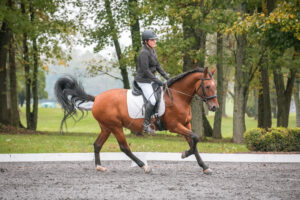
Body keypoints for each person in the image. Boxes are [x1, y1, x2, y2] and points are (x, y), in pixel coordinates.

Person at [134, 30, 169, 134]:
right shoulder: (143, 53)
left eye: (154, 39)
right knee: (152, 100)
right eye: (152, 40)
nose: (154, 41)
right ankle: (145, 124)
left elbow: (158, 66)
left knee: (161, 94)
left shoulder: (153, 50)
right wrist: (157, 80)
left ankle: (156, 118)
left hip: (150, 80)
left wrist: (166, 76)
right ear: (145, 41)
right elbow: (146, 71)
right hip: (143, 81)